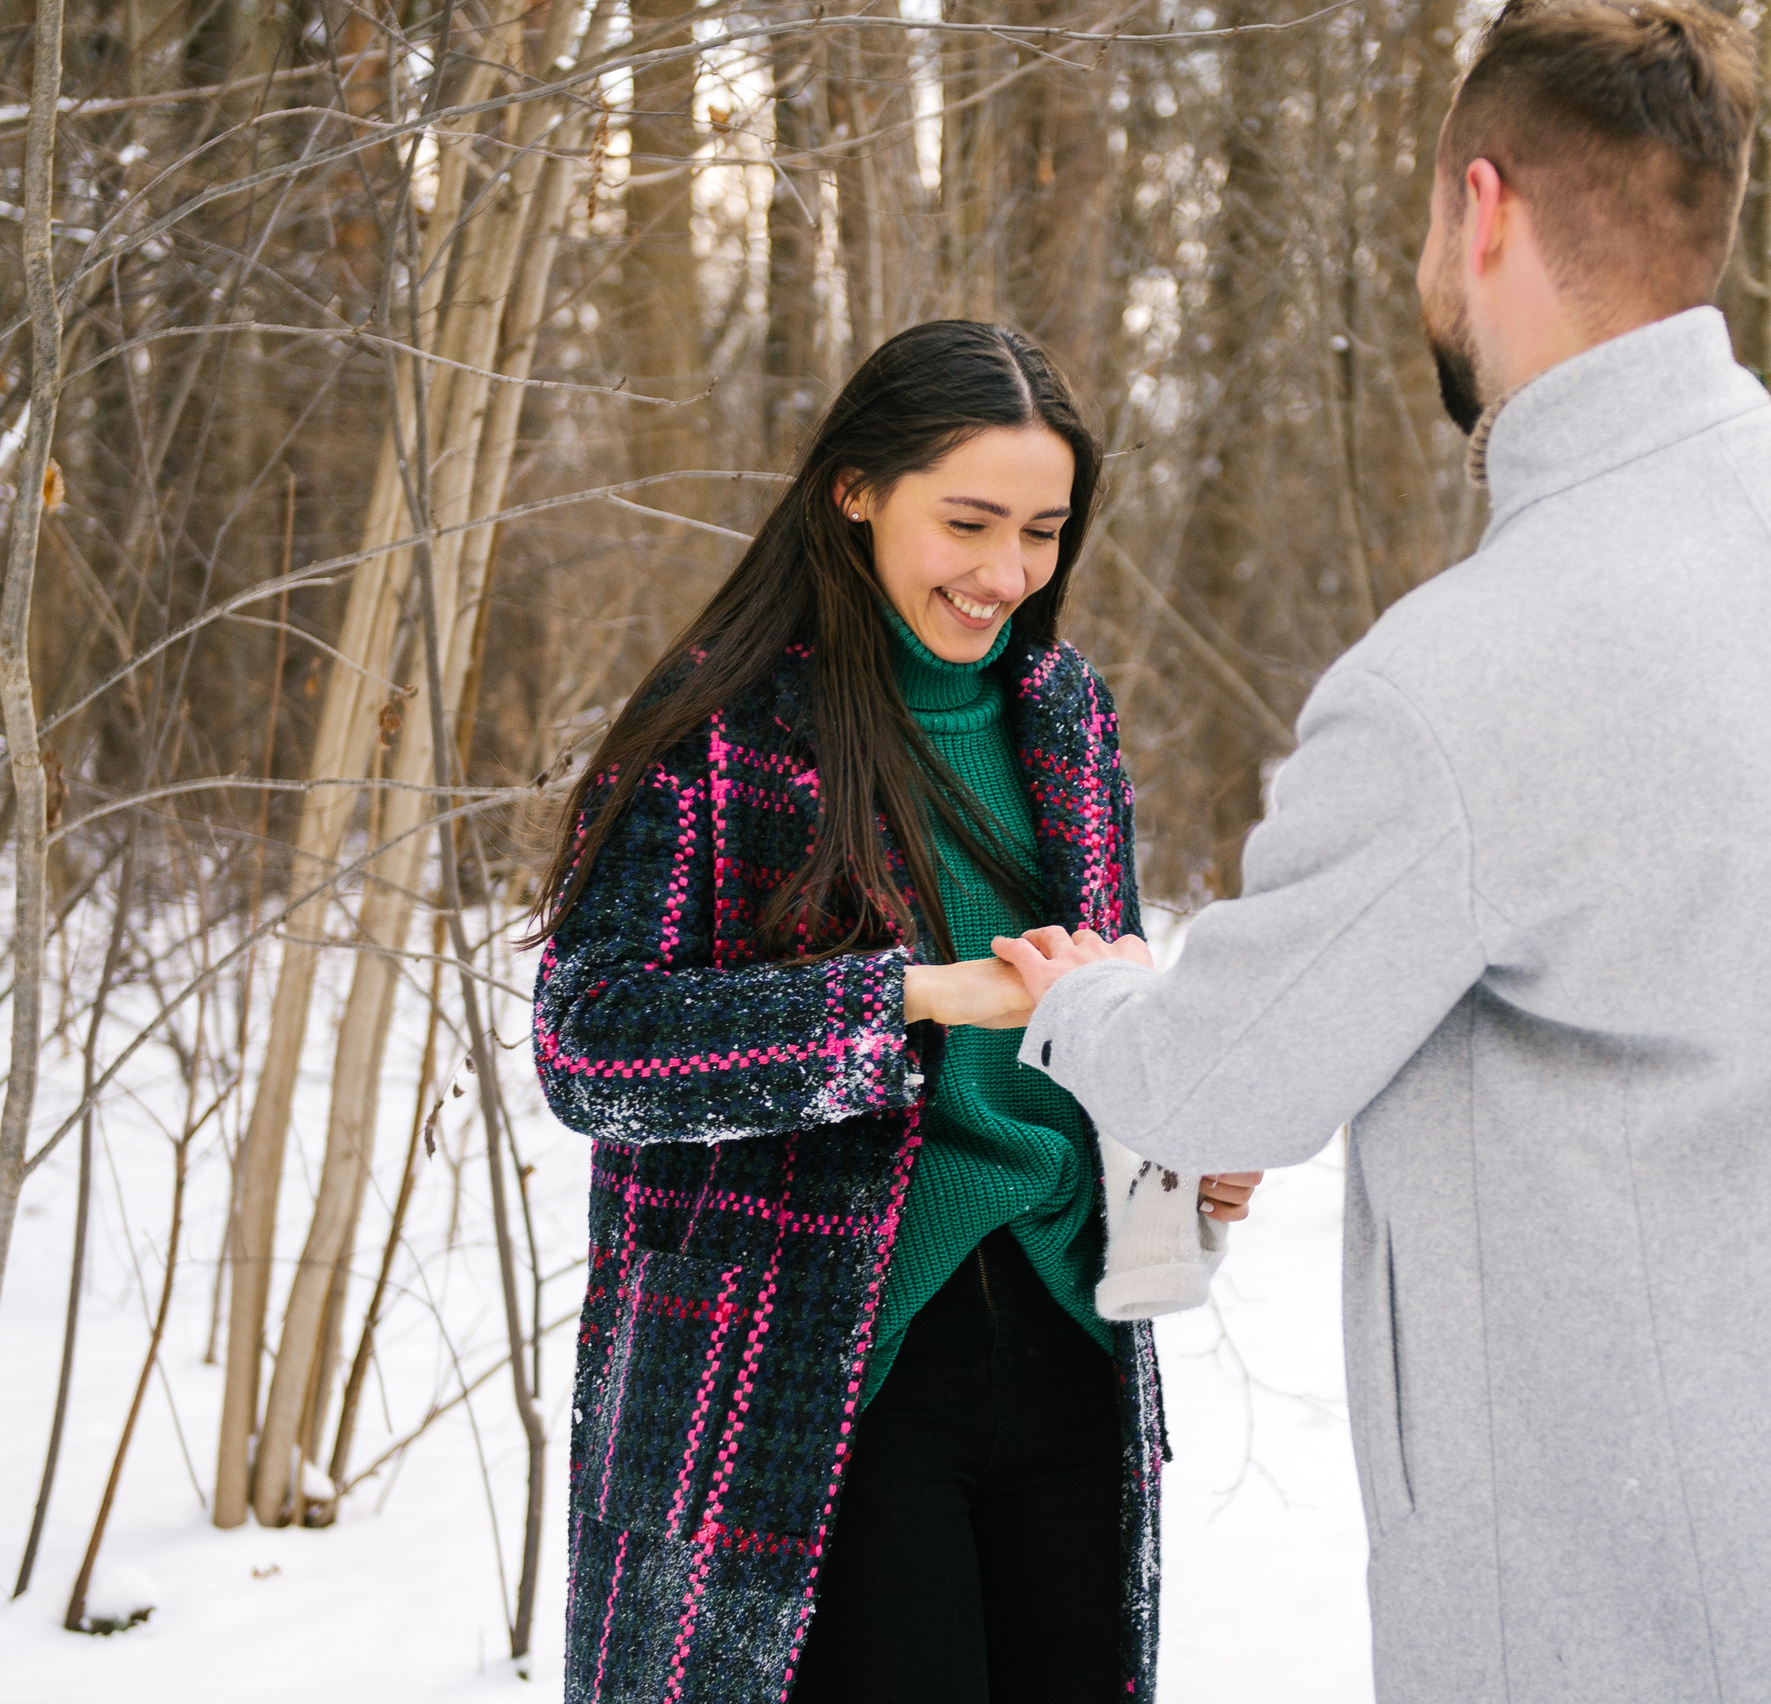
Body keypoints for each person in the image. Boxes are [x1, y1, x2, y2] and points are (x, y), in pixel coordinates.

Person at [989, 5, 1771, 1702]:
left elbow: (1223, 1081)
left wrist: (1088, 998)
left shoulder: (1463, 676)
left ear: (1481, 207)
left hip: (1634, 1595)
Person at [527, 319, 1257, 1704]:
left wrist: (1175, 1132)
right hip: (814, 1373)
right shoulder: (723, 727)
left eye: (1042, 531)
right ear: (853, 490)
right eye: (968, 523)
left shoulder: (1064, 712)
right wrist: (909, 998)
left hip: (1071, 1331)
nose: (1006, 574)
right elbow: (592, 1044)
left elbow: (1083, 1000)